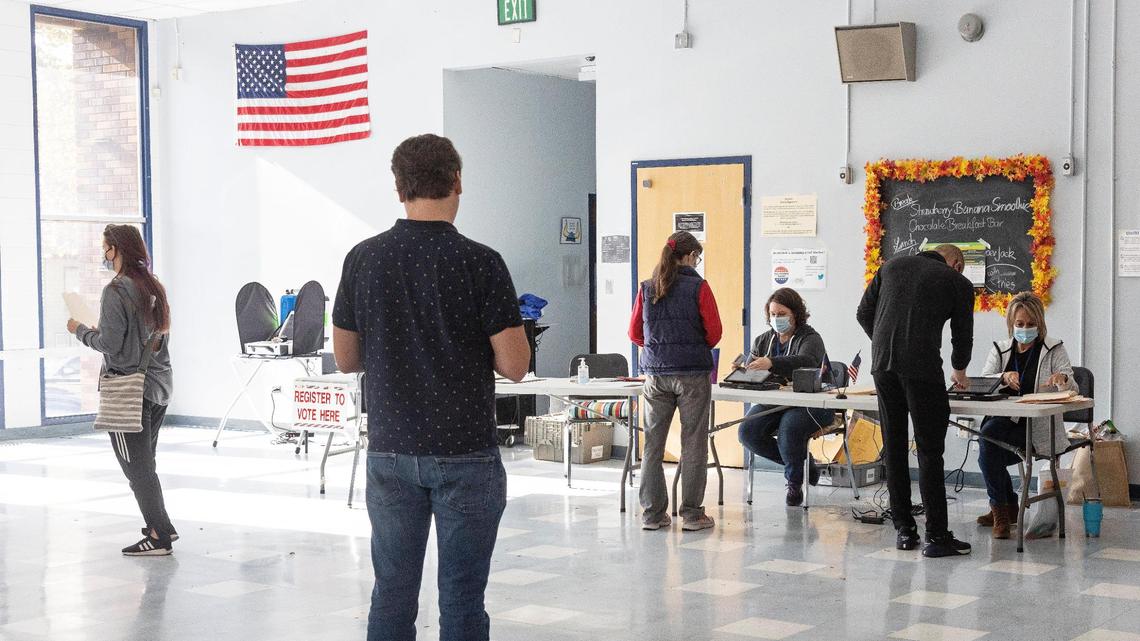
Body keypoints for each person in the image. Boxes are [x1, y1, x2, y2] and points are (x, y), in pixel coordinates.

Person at [332, 134, 531, 641]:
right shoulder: (481, 262)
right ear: (458, 181)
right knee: (463, 598)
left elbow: (346, 358)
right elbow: (514, 366)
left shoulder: (362, 259)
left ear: (398, 187)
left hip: (391, 448)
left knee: (392, 595)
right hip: (465, 450)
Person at [855, 244, 975, 558]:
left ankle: (904, 533)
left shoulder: (890, 266)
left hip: (882, 367)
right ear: (957, 264)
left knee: (894, 447)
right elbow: (962, 336)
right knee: (929, 451)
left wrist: (885, 342)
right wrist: (959, 371)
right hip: (922, 370)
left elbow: (863, 313)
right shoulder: (957, 282)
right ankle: (936, 537)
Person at [68, 224, 176, 556]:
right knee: (146, 462)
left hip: (128, 390)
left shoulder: (116, 290)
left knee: (135, 467)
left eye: (105, 248)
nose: (103, 254)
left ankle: (157, 536)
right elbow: (149, 339)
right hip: (158, 386)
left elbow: (111, 345)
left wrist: (80, 331)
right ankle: (163, 529)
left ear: (116, 249)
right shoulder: (152, 286)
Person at [628, 231, 722, 532]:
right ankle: (692, 515)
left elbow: (635, 334)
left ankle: (653, 515)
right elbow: (714, 333)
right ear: (690, 256)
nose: (698, 261)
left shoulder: (647, 288)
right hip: (693, 375)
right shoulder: (699, 287)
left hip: (655, 375)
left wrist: (658, 349)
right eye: (698, 256)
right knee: (693, 443)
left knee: (653, 445)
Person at [976, 292, 1077, 539]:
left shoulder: (1053, 348)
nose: (1025, 329)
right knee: (987, 439)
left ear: (1040, 324)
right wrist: (1003, 377)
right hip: (1007, 420)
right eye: (1019, 324)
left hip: (1039, 426)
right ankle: (1003, 508)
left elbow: (1072, 385)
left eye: (1030, 324)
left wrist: (1061, 380)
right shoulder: (1000, 350)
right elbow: (984, 379)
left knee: (988, 453)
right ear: (1011, 324)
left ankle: (1004, 507)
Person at [737, 287, 834, 506]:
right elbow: (751, 367)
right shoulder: (764, 340)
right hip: (775, 401)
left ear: (796, 314)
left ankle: (794, 483)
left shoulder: (811, 338)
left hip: (811, 403)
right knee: (747, 432)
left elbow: (807, 361)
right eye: (772, 314)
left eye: (782, 315)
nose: (776, 319)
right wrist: (743, 369)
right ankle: (805, 466)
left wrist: (772, 362)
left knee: (788, 431)